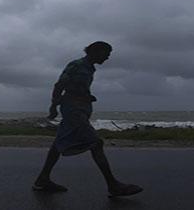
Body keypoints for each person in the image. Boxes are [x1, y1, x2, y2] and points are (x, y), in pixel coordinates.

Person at [33, 41, 143, 197]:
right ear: (96, 51)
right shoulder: (77, 65)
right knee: (96, 143)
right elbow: (60, 85)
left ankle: (42, 180)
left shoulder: (90, 68)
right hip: (74, 111)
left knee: (58, 144)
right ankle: (113, 185)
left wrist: (86, 95)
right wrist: (53, 107)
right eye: (106, 53)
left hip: (80, 108)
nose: (108, 57)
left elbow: (75, 86)